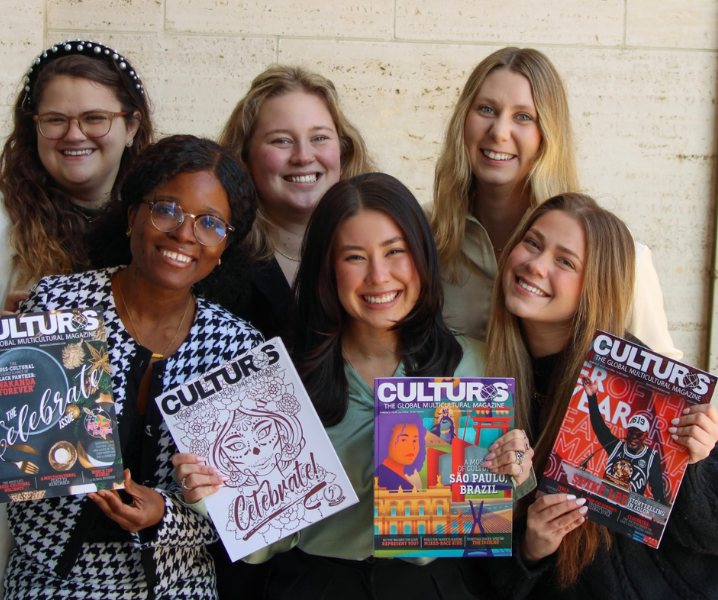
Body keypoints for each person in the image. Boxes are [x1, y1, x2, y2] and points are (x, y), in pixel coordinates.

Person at [0, 135, 263, 598]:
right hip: (48, 582)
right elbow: (4, 464)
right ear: (132, 217)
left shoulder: (237, 348)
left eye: (210, 223)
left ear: (224, 246)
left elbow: (251, 509)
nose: (185, 234)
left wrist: (164, 517)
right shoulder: (58, 308)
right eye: (166, 209)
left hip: (177, 587)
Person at [177, 172, 535, 599]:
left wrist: (510, 472)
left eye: (395, 251)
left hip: (435, 585)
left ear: (423, 255)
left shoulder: (478, 364)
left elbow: (490, 522)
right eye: (354, 257)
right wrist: (211, 497)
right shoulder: (278, 380)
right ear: (327, 268)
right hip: (315, 586)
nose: (379, 276)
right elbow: (265, 542)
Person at [0, 39, 153, 599]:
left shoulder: (155, 229)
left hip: (101, 523)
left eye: (95, 117)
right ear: (34, 129)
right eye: (55, 120)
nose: (75, 135)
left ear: (131, 124)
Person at [484, 192, 718, 599]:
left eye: (564, 261)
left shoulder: (643, 380)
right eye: (533, 243)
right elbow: (478, 573)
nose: (535, 265)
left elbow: (708, 532)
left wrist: (695, 463)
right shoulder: (480, 377)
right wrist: (530, 548)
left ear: (595, 285)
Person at [430, 46, 681, 360]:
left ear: (548, 135)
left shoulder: (624, 261)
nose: (499, 132)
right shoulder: (422, 238)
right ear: (462, 121)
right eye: (486, 109)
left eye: (523, 116)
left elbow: (663, 391)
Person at [216, 65, 375, 338]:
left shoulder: (383, 253)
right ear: (244, 156)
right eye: (281, 140)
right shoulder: (216, 263)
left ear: (343, 149)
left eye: (319, 138)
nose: (303, 156)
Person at [582, 376, 666, 503]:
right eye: (631, 432)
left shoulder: (651, 457)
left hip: (627, 515)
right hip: (603, 504)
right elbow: (599, 426)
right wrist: (592, 397)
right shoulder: (616, 446)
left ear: (646, 436)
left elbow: (658, 491)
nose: (634, 437)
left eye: (639, 434)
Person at [375, 412, 427, 491]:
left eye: (414, 440)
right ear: (386, 440)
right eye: (403, 440)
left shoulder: (403, 478)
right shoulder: (382, 479)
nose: (412, 447)